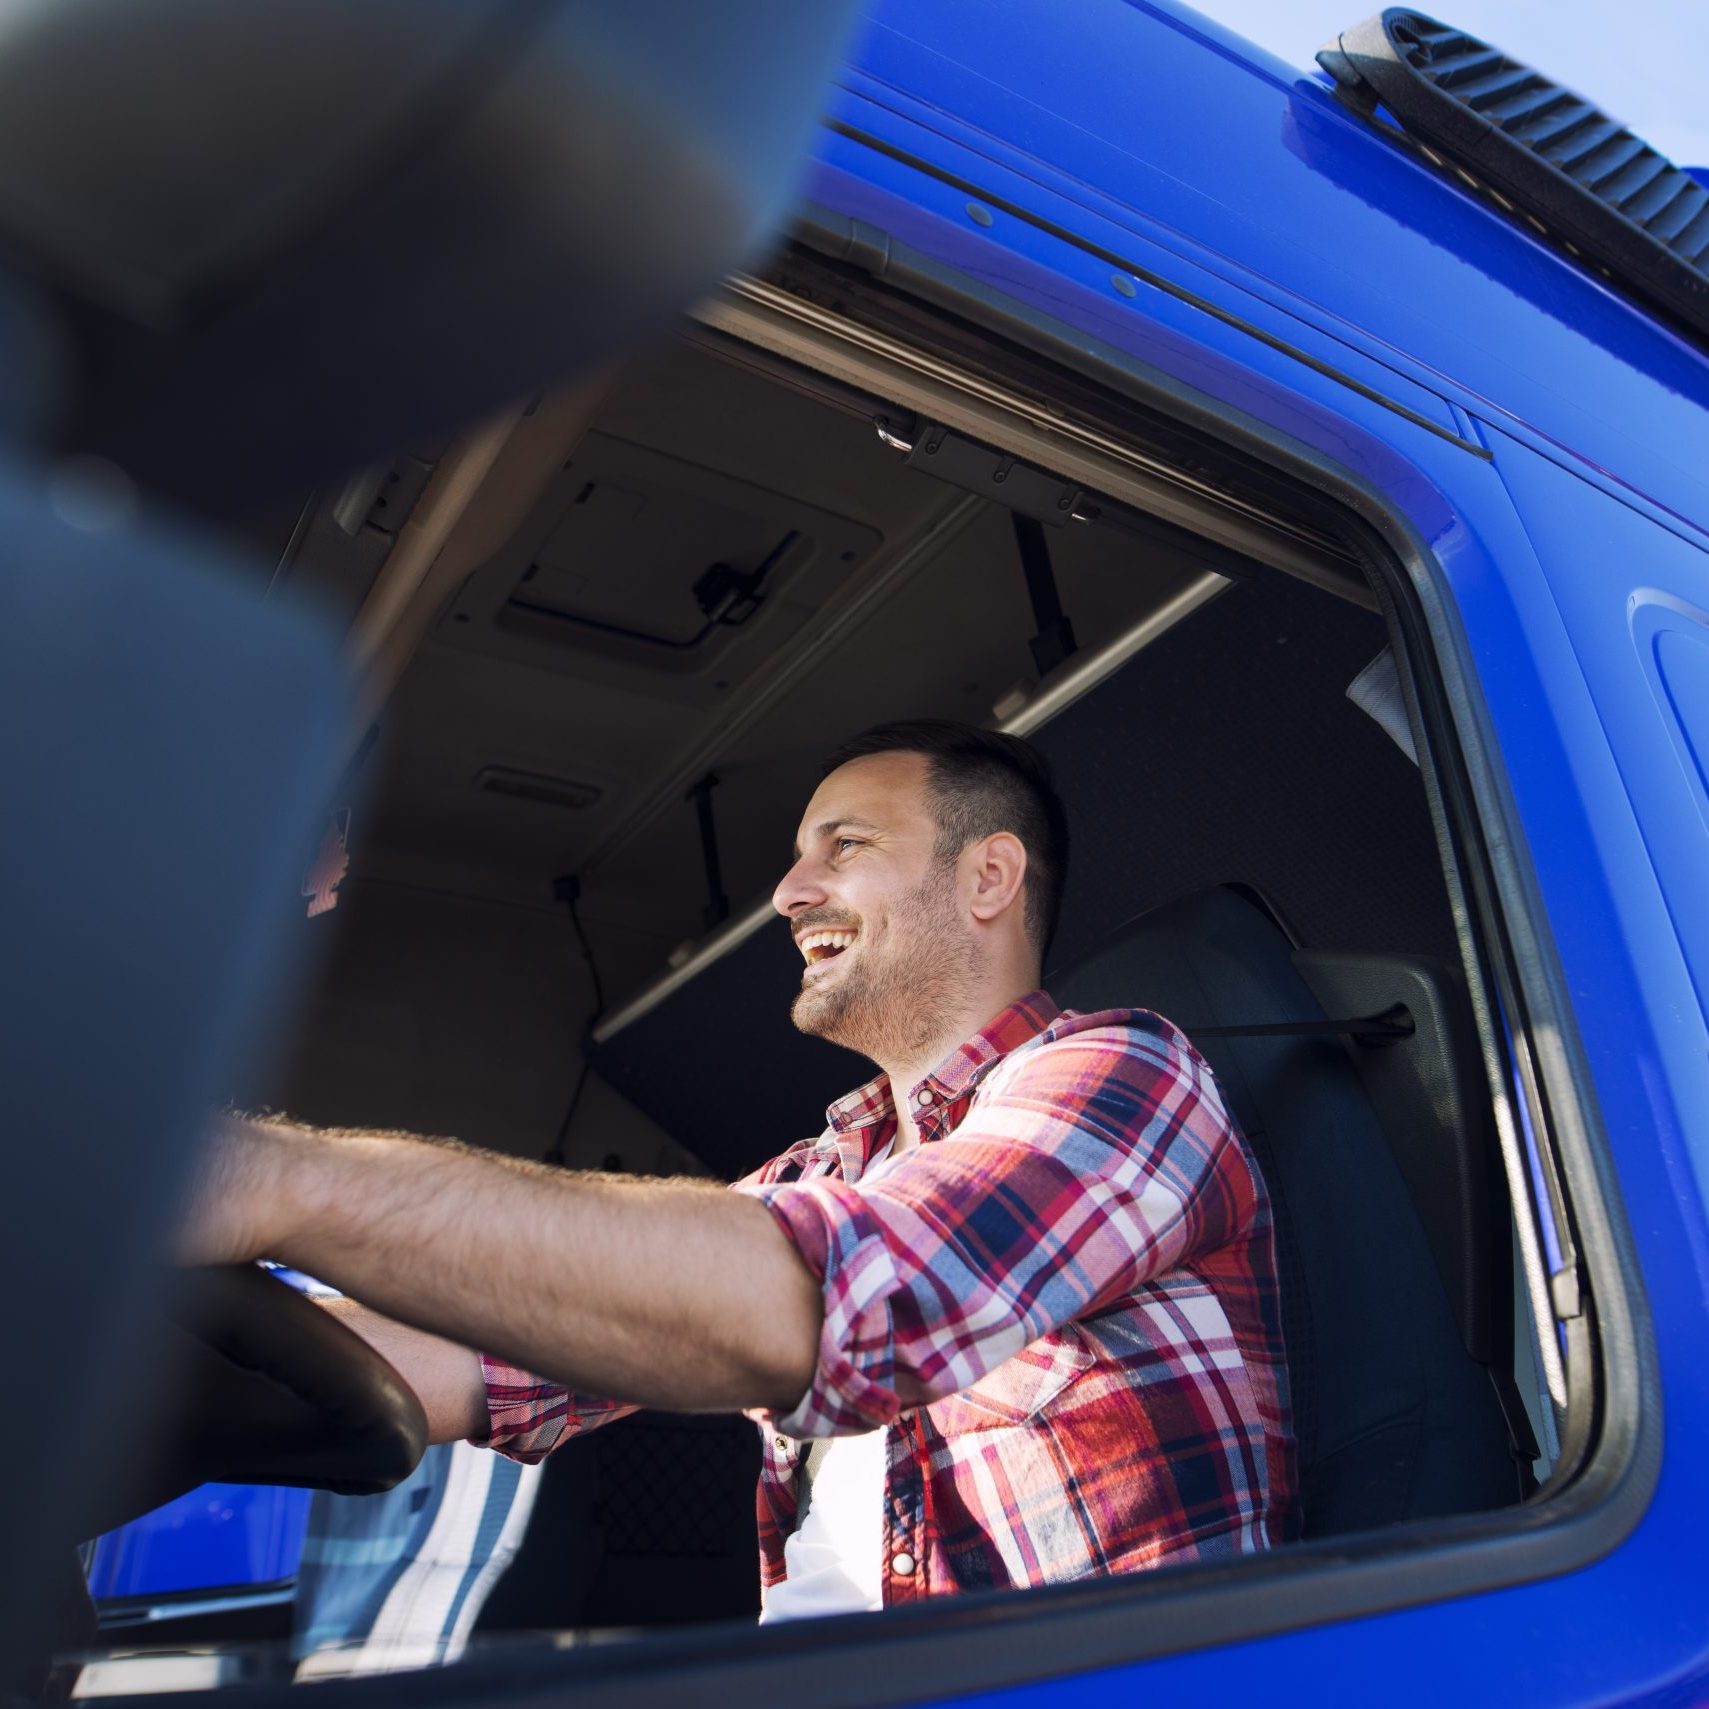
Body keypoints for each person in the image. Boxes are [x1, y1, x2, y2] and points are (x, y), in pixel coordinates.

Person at [183, 721, 1296, 1617]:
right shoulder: (830, 1168)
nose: (787, 890)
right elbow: (488, 1353)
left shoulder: (1126, 1074)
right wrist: (140, 1351)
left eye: (841, 846)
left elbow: (839, 1300)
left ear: (988, 876)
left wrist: (277, 1178)